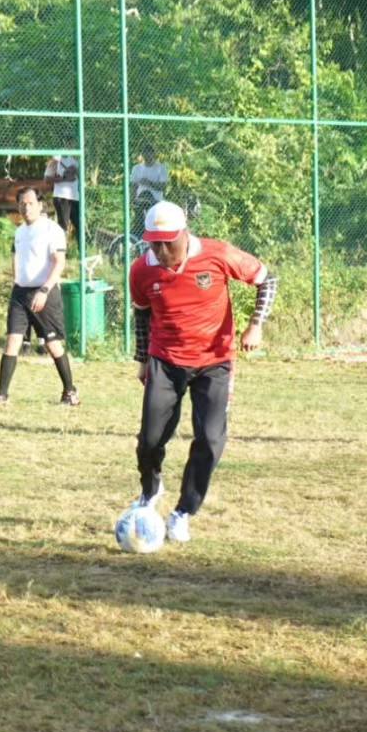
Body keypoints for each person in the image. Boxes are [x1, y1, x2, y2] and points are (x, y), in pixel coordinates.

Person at [128, 200, 278, 543]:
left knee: (210, 439)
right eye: (155, 242)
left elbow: (267, 280)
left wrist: (256, 326)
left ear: (185, 234)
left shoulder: (217, 254)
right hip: (165, 360)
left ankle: (183, 512)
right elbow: (141, 315)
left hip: (215, 361)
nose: (162, 250)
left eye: (169, 241)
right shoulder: (141, 270)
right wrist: (141, 360)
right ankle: (150, 491)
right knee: (150, 438)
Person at [0, 186, 79, 408]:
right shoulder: (20, 232)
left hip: (44, 292)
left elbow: (59, 263)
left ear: (40, 204)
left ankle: (70, 391)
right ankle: (2, 394)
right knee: (12, 342)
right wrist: (17, 282)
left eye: (30, 203)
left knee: (52, 344)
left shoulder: (52, 230)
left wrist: (44, 290)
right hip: (20, 294)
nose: (26, 208)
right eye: (22, 204)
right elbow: (18, 259)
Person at [129, 144, 168, 227]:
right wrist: (131, 201)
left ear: (154, 154)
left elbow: (163, 187)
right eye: (145, 152)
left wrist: (149, 183)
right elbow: (133, 187)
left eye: (150, 152)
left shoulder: (161, 168)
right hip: (140, 199)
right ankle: (139, 229)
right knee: (139, 212)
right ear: (142, 154)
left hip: (155, 200)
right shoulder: (136, 168)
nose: (147, 155)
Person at [45, 154, 80, 242]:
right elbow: (47, 179)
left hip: (75, 197)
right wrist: (64, 179)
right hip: (62, 196)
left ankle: (82, 251)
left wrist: (75, 172)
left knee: (80, 225)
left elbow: (79, 177)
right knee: (63, 227)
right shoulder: (56, 160)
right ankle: (60, 251)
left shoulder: (76, 159)